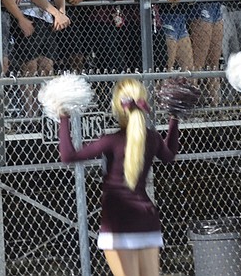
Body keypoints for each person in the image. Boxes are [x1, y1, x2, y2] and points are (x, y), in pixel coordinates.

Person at [58, 78, 179, 276]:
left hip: (117, 220)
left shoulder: (111, 140)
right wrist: (175, 117)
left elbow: (68, 156)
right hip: (146, 219)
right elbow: (169, 156)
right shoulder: (153, 138)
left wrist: (64, 117)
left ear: (117, 107)